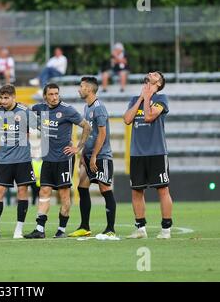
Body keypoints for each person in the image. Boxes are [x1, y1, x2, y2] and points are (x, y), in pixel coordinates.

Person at [25, 83, 91, 239]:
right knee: (44, 191)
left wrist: (78, 148)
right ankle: (40, 229)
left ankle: (61, 230)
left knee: (64, 194)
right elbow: (24, 109)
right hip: (48, 158)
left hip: (63, 159)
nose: (54, 97)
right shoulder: (40, 108)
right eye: (51, 94)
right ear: (45, 96)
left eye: (56, 94)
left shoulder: (67, 110)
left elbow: (87, 126)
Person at [0, 84, 36, 239]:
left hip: (22, 159)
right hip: (5, 159)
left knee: (22, 192)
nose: (4, 101)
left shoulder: (24, 111)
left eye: (7, 98)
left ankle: (18, 230)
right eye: (2, 97)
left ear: (14, 97)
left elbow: (39, 126)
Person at [123, 71, 173, 239]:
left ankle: (166, 229)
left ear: (159, 82)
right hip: (137, 153)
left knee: (162, 189)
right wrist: (140, 98)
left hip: (157, 152)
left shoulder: (161, 99)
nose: (150, 73)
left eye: (155, 74)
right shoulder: (133, 100)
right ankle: (140, 228)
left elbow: (149, 116)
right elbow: (127, 119)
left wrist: (147, 97)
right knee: (136, 192)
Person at [69, 76, 118, 240]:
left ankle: (110, 229)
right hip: (89, 156)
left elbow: (102, 134)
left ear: (89, 89)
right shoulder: (86, 107)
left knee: (105, 189)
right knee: (82, 188)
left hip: (101, 156)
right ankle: (84, 226)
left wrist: (94, 156)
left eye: (81, 86)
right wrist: (82, 152)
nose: (79, 89)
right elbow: (88, 131)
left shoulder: (99, 108)